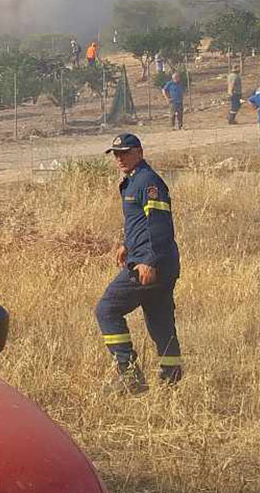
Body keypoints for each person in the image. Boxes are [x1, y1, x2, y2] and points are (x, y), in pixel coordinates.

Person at [95, 133, 182, 394]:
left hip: (152, 263)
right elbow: (140, 223)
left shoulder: (148, 181)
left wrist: (147, 261)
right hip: (159, 262)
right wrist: (127, 245)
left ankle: (129, 374)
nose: (120, 158)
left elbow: (158, 225)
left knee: (107, 310)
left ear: (140, 152)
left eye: (125, 152)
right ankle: (172, 380)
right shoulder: (134, 181)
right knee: (160, 321)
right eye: (116, 154)